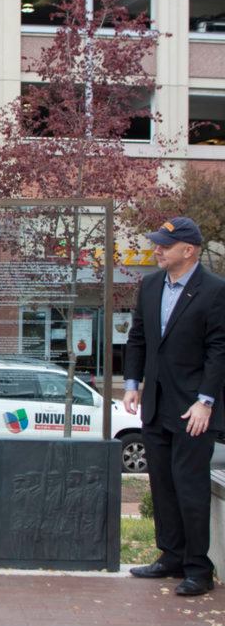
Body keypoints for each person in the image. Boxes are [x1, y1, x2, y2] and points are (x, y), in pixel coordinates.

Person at [123, 216, 225, 596]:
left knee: (189, 487)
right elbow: (138, 338)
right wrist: (132, 384)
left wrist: (206, 401)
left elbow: (220, 350)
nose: (157, 249)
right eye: (157, 243)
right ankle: (171, 556)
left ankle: (198, 568)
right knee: (162, 485)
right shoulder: (150, 286)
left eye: (165, 244)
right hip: (155, 405)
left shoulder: (215, 291)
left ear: (189, 250)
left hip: (194, 411)